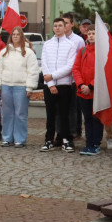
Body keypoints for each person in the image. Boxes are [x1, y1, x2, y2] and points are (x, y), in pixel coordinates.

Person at [0, 27, 39, 148]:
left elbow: (32, 71)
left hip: (21, 87)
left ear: (22, 36)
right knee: (7, 114)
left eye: (18, 34)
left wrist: (30, 87)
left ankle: (20, 139)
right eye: (13, 34)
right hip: (6, 86)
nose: (16, 36)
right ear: (10, 36)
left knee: (20, 114)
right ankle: (7, 138)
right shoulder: (4, 52)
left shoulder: (28, 53)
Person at [40, 17, 78, 152]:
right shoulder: (47, 44)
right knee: (50, 114)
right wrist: (50, 83)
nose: (57, 28)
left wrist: (54, 76)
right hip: (49, 85)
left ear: (65, 27)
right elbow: (44, 64)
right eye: (55, 25)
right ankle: (48, 139)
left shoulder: (70, 45)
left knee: (64, 114)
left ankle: (66, 140)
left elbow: (70, 66)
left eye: (60, 25)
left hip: (64, 84)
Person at [71, 25, 103, 156]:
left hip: (96, 91)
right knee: (88, 118)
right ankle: (89, 143)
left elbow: (103, 71)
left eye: (94, 33)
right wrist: (81, 85)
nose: (90, 35)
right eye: (89, 33)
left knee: (97, 118)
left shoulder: (102, 52)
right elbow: (75, 68)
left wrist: (91, 86)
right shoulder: (83, 51)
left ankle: (96, 144)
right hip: (83, 92)